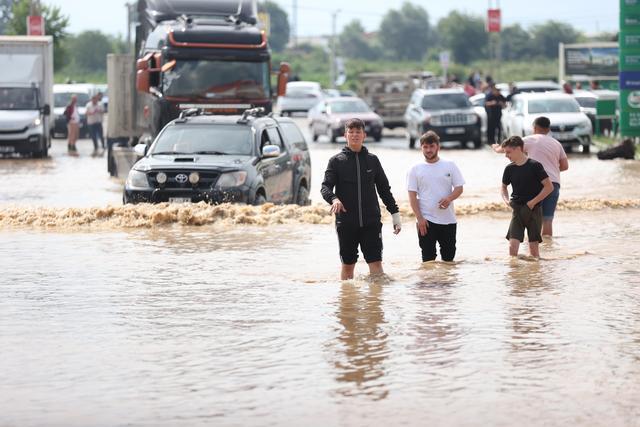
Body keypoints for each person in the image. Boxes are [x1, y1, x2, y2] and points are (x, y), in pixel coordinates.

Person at [321, 118, 402, 280]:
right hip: (346, 222)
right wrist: (334, 199)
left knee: (376, 265)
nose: (355, 135)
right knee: (348, 265)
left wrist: (395, 214)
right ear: (345, 135)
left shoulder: (372, 160)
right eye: (351, 132)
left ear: (364, 135)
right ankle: (347, 301)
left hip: (371, 221)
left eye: (358, 132)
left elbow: (384, 190)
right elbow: (325, 187)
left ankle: (375, 303)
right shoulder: (336, 161)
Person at [492, 116, 568, 237]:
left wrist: (495, 148)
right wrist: (550, 171)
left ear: (535, 127)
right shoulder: (556, 143)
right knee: (547, 220)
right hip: (553, 184)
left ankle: (531, 250)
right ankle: (548, 249)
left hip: (535, 184)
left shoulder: (530, 139)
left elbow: (507, 148)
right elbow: (564, 166)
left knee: (530, 218)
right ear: (548, 129)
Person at [407, 131, 465, 262]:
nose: (428, 150)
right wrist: (419, 218)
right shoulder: (415, 169)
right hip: (426, 221)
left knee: (449, 260)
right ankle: (430, 283)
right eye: (425, 147)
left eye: (431, 146)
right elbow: (412, 196)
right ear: (421, 147)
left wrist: (449, 198)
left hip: (448, 220)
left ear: (438, 147)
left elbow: (459, 188)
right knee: (428, 260)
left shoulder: (450, 165)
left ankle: (445, 283)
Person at [500, 136, 554, 258]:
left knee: (533, 249)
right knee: (512, 248)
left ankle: (533, 275)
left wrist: (532, 202)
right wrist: (507, 201)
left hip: (534, 210)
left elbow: (549, 187)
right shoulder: (509, 169)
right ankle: (514, 274)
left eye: (508, 152)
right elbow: (503, 187)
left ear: (518, 149)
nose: (506, 155)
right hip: (517, 209)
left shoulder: (535, 166)